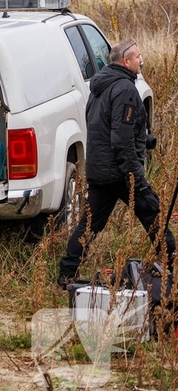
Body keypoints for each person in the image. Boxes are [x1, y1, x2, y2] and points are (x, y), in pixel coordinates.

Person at [58, 40, 175, 288]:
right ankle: (173, 266)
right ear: (126, 61)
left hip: (100, 170)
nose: (141, 60)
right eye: (138, 56)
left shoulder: (100, 87)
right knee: (153, 214)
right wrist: (137, 181)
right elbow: (120, 140)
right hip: (121, 172)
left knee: (89, 225)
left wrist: (144, 139)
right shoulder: (125, 90)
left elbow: (107, 127)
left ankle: (66, 275)